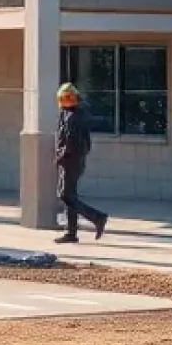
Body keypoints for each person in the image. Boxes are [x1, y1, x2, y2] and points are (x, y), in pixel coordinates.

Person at [54, 82, 108, 245]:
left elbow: (70, 140)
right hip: (72, 158)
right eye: (64, 98)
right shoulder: (68, 113)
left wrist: (61, 156)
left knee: (65, 194)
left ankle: (97, 217)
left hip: (71, 159)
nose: (67, 101)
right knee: (70, 195)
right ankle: (71, 232)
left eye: (69, 98)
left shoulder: (75, 116)